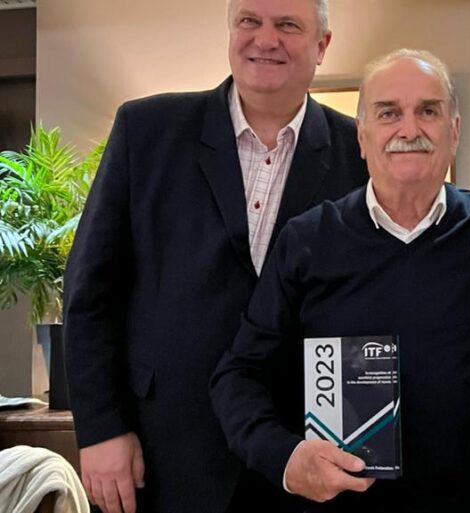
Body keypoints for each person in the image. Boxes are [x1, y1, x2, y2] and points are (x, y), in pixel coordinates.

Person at [62, 1, 369, 512]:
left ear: (321, 45)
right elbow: (89, 291)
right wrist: (101, 428)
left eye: (287, 25)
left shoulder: (361, 154)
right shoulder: (146, 130)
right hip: (160, 454)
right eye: (250, 21)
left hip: (301, 462)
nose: (265, 39)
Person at [209, 49, 470, 512]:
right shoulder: (308, 240)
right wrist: (286, 458)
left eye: (428, 111)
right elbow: (239, 376)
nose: (408, 130)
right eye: (388, 113)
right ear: (362, 136)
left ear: (453, 132)